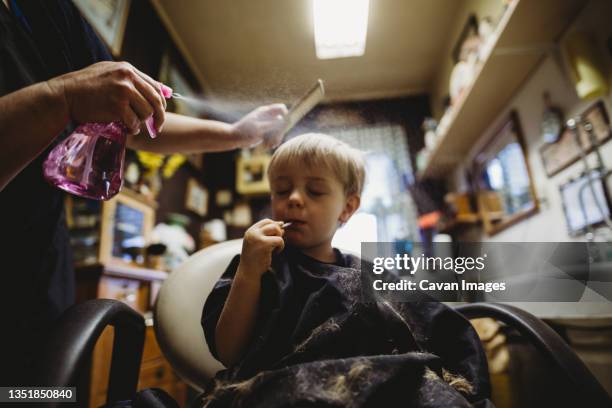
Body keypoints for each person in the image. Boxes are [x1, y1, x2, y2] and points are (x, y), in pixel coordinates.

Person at [0, 0, 287, 384]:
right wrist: (61, 97)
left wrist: (236, 134)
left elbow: (137, 119)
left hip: (42, 257)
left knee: (40, 392)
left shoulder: (46, 12)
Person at [201, 134, 492, 407]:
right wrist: (249, 272)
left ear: (347, 208)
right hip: (280, 389)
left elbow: (441, 331)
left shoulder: (366, 274)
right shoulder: (259, 266)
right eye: (281, 190)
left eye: (314, 191)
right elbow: (230, 353)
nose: (293, 198)